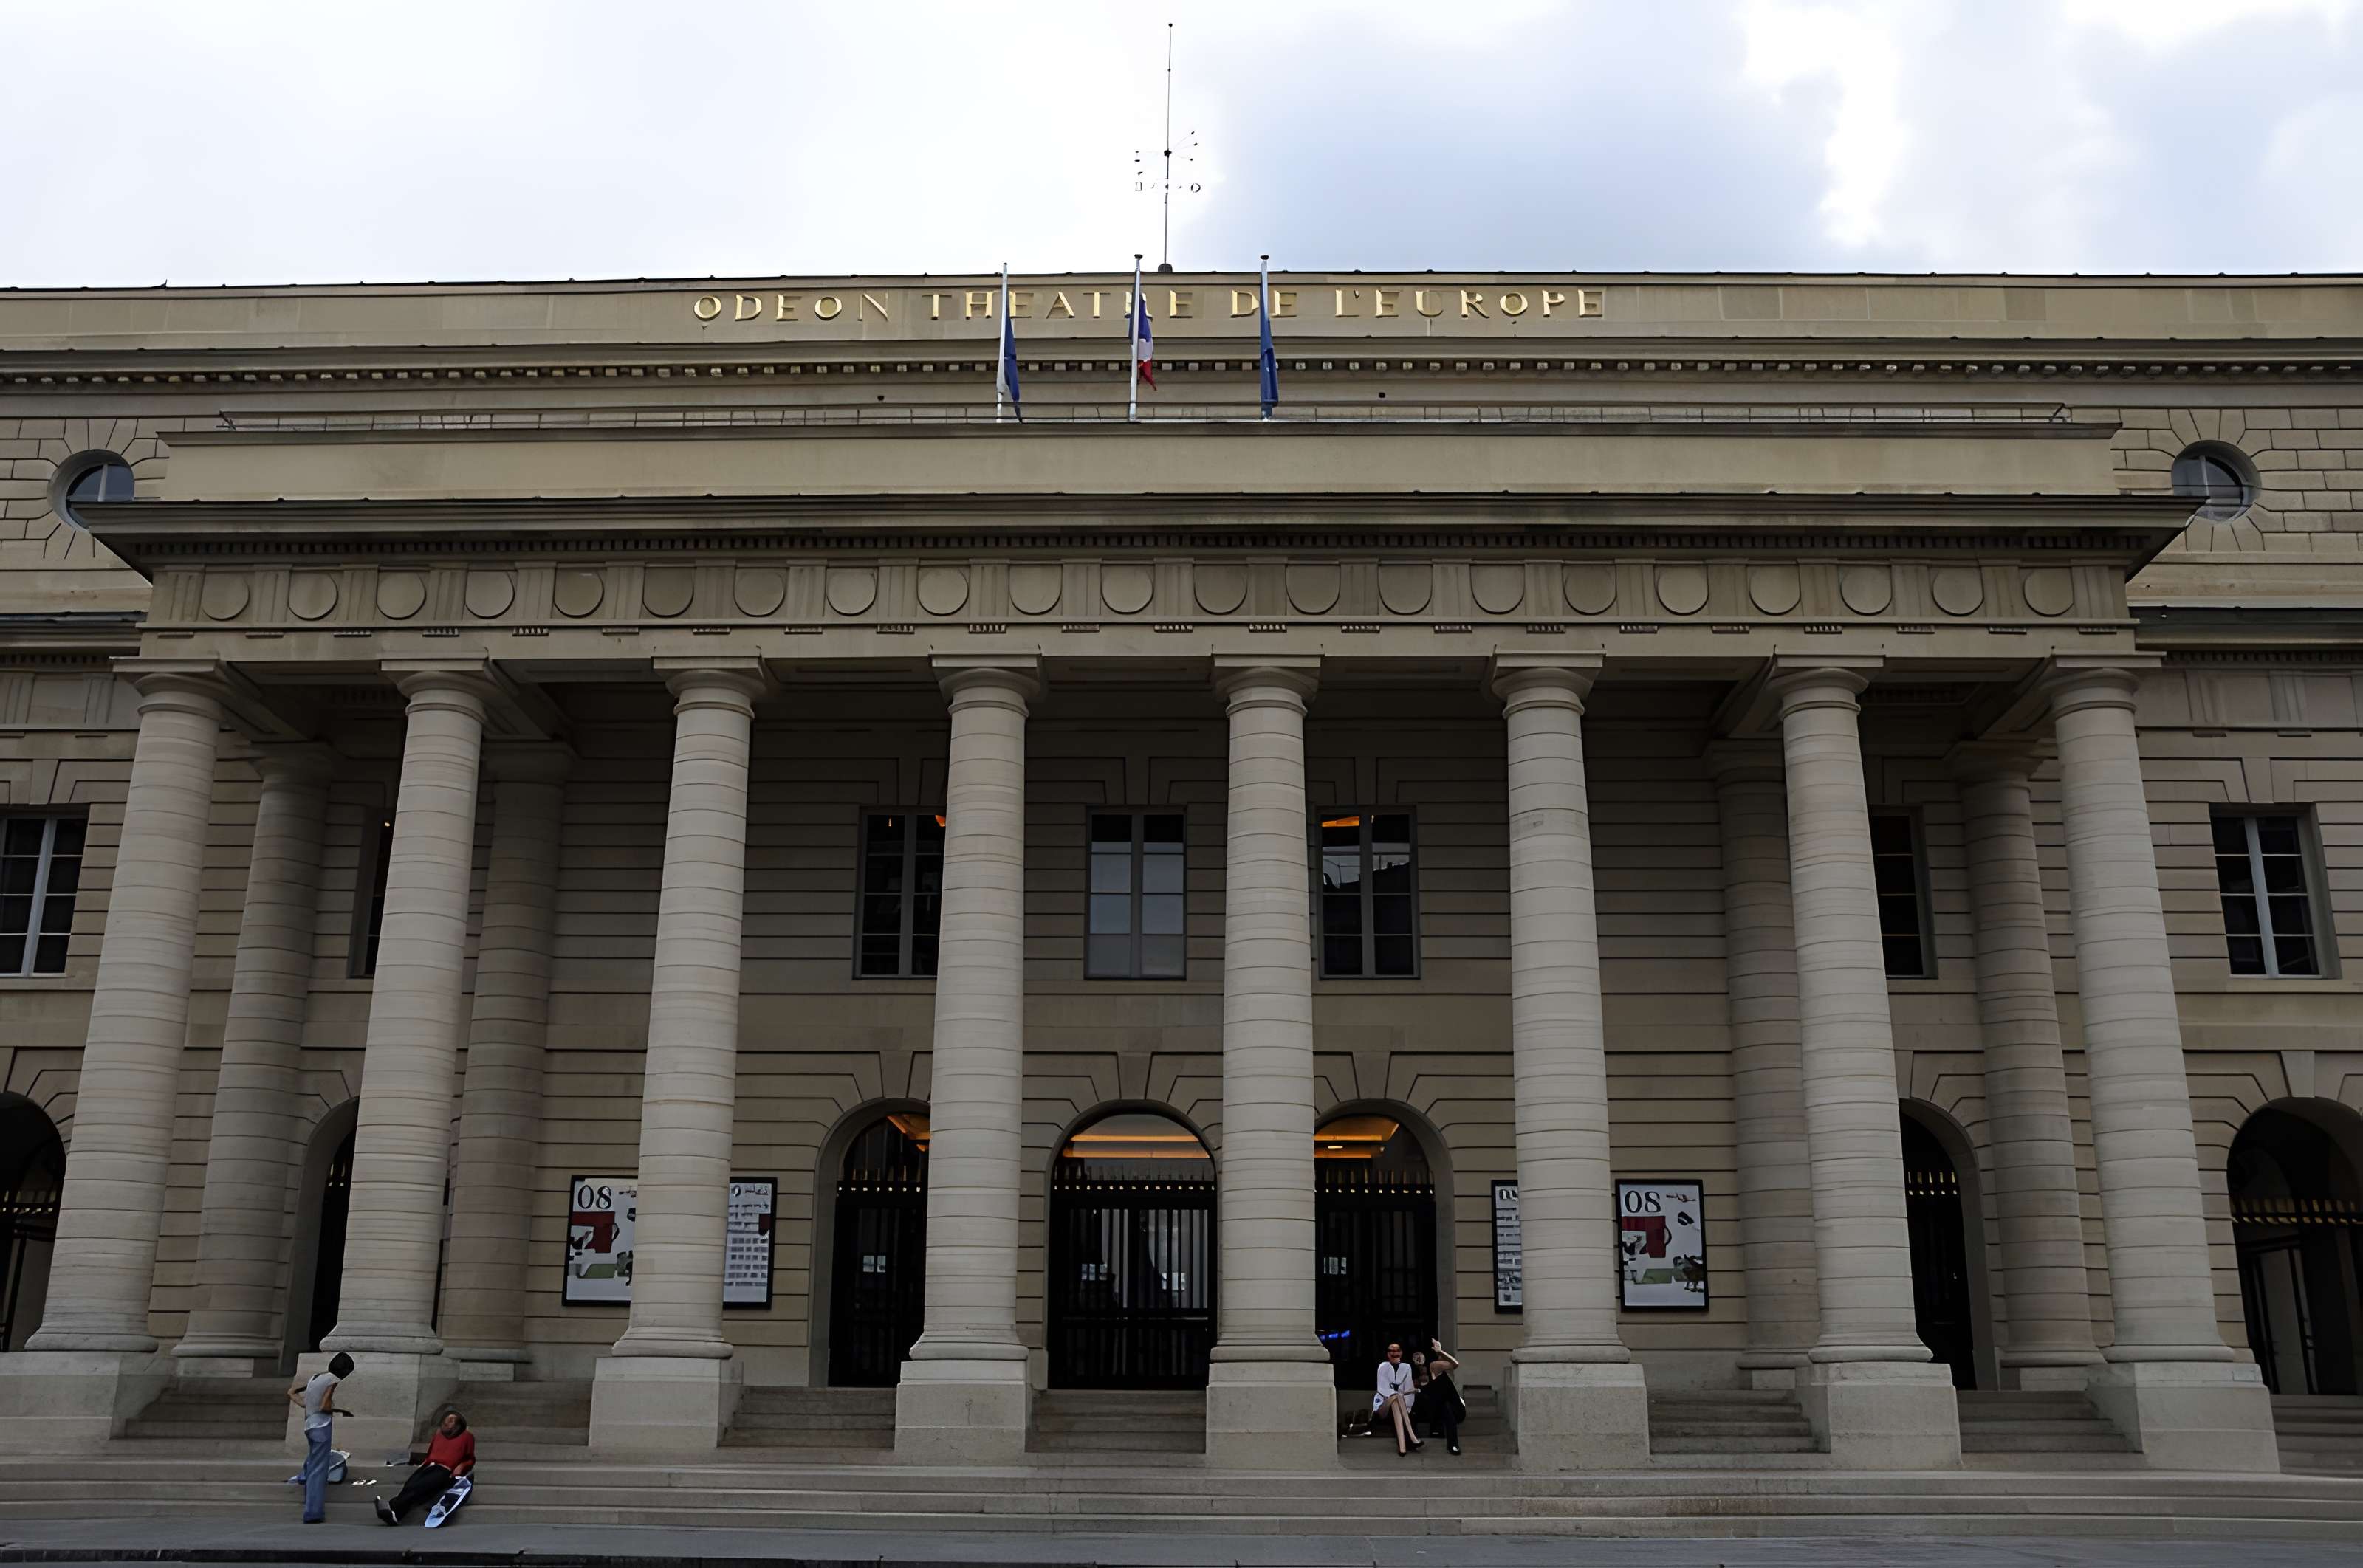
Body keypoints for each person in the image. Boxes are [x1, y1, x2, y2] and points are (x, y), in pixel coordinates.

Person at [287, 1352, 354, 1524]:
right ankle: (313, 1512)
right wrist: (342, 1411)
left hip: (309, 1424)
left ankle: (304, 1480)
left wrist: (308, 1402)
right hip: (321, 1426)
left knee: (314, 1462)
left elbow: (292, 1392)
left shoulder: (316, 1377)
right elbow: (325, 1406)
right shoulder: (333, 1380)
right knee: (319, 1470)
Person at [377, 1409, 475, 1526]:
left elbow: (470, 1459)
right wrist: (424, 1464)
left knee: (417, 1488)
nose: (447, 1422)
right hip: (429, 1467)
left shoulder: (467, 1437)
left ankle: (393, 1510)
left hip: (444, 1470)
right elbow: (431, 1454)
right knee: (409, 1486)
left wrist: (460, 1467)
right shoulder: (439, 1435)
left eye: (452, 1420)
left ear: (459, 1425)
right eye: (447, 1419)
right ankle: (393, 1512)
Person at [1416, 1337, 1466, 1456]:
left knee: (1446, 1406)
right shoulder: (1416, 1377)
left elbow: (1455, 1364)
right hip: (1435, 1412)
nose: (1418, 1361)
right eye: (1416, 1359)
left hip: (1456, 1410)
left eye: (1420, 1359)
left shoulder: (1435, 1368)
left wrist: (1440, 1352)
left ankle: (1453, 1444)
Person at [1374, 1341, 1422, 1456]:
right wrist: (1399, 1395)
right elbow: (1383, 1389)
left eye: (1397, 1350)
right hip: (1383, 1403)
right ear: (1387, 1354)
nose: (1394, 1353)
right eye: (1391, 1351)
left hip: (1399, 1402)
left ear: (1401, 1353)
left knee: (1396, 1401)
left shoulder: (1406, 1367)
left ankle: (1402, 1448)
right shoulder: (1383, 1366)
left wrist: (1407, 1403)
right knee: (1396, 1397)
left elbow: (1408, 1388)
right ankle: (1412, 1436)